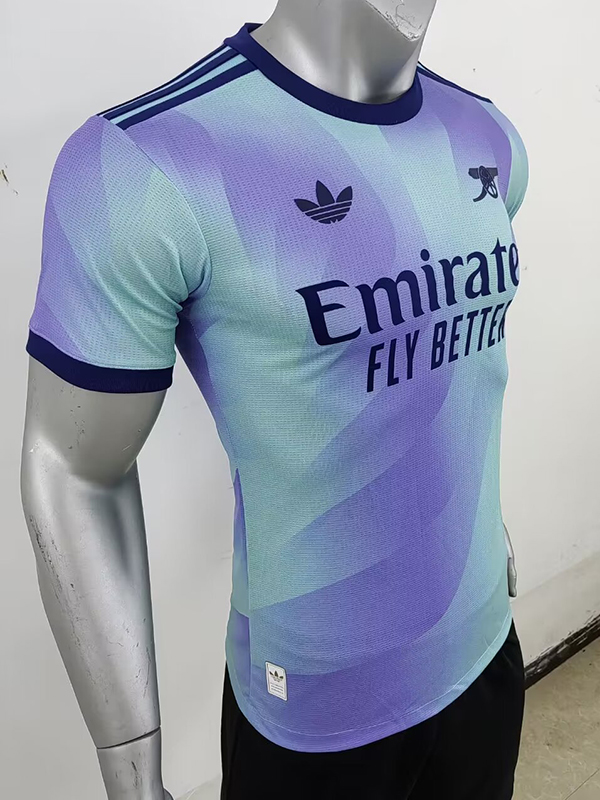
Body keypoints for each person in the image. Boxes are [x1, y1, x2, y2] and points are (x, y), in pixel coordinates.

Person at [21, 2, 529, 798]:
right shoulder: (145, 162)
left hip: (485, 654)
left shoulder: (486, 135)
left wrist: (484, 533)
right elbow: (73, 469)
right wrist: (132, 768)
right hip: (314, 717)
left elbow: (453, 361)